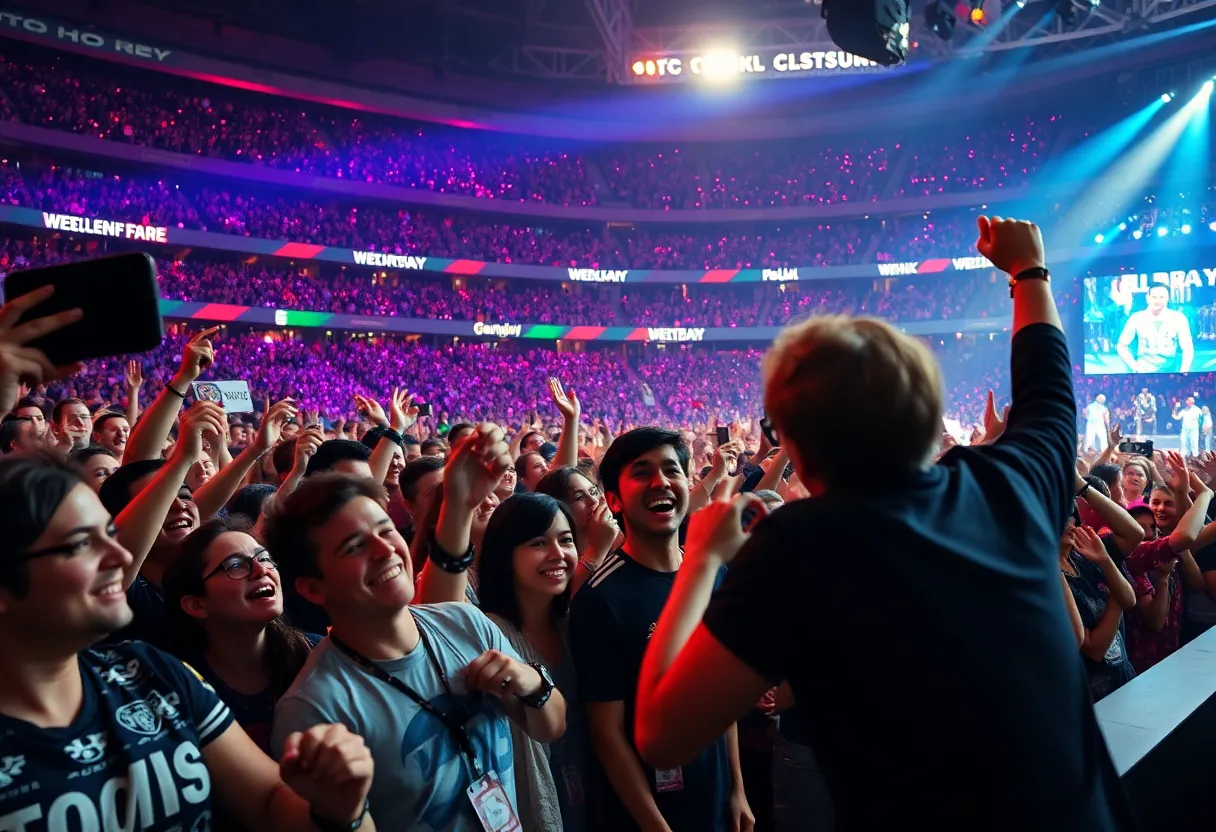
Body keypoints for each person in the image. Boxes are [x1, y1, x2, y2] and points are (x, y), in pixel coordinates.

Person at [633, 217, 1137, 829]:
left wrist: (702, 561)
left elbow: (661, 736)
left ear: (791, 440)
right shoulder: (1010, 485)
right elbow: (1050, 391)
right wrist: (1028, 272)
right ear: (930, 420)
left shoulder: (796, 549)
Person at [0, 452, 378, 832]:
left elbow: (270, 802)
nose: (118, 555)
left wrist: (338, 809)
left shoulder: (152, 675)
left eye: (110, 535)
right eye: (81, 543)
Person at [264, 459, 567, 832]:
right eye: (354, 547)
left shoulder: (465, 621)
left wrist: (530, 681)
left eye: (385, 530)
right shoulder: (314, 709)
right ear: (313, 587)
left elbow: (551, 726)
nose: (384, 550)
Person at [569, 427, 751, 832]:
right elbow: (607, 735)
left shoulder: (711, 573)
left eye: (671, 469)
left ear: (688, 483)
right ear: (614, 500)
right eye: (642, 472)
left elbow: (721, 694)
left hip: (717, 797)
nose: (661, 482)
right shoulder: (599, 600)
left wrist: (737, 788)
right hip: (649, 813)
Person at [418, 433, 591, 831]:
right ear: (503, 552)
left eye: (566, 540)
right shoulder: (488, 629)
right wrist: (459, 505)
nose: (557, 554)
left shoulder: (575, 622)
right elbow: (439, 613)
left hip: (588, 797)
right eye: (537, 542)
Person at [164, 516, 322, 754]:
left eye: (265, 558)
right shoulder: (180, 691)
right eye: (235, 565)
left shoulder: (317, 654)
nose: (261, 570)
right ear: (196, 605)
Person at [535, 465, 622, 594]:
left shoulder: (622, 540)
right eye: (579, 497)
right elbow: (568, 606)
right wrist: (597, 549)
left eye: (593, 492)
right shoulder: (556, 558)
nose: (593, 501)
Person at [1116, 284, 1194, 374]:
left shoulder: (1178, 318)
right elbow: (1121, 345)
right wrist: (1134, 365)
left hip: (1171, 371)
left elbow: (1187, 346)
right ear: (1147, 298)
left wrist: (1185, 369)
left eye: (1161, 297)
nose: (1157, 301)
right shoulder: (1136, 318)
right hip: (1143, 371)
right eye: (1154, 297)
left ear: (1167, 298)